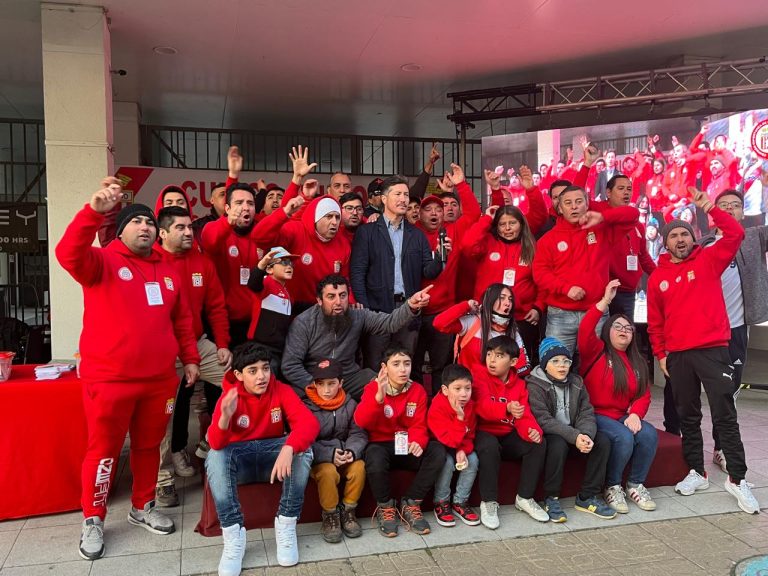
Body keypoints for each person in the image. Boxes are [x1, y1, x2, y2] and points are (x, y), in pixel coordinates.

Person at [55, 178, 201, 561]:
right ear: (121, 230)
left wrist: (190, 359)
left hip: (158, 381)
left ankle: (143, 506)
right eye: (137, 222)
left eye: (151, 223)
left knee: (149, 447)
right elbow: (67, 253)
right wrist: (94, 211)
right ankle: (93, 518)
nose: (146, 227)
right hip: (109, 380)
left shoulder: (167, 270)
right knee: (103, 450)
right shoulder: (101, 262)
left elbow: (183, 320)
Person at [647, 187, 759, 514]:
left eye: (685, 234)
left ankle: (737, 479)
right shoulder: (658, 278)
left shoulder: (709, 259)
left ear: (694, 239)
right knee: (688, 415)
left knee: (725, 414)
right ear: (665, 243)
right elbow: (655, 323)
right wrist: (662, 354)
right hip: (678, 356)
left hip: (713, 350)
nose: (680, 239)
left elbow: (735, 232)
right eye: (674, 236)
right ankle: (696, 471)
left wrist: (708, 206)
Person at [206, 343, 319, 573]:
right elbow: (216, 443)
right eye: (253, 371)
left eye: (265, 368)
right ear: (238, 374)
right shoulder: (229, 397)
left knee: (303, 449)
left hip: (271, 458)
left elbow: (309, 423)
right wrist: (225, 418)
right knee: (215, 454)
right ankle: (233, 533)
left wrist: (288, 448)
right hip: (240, 460)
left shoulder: (281, 390)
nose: (261, 376)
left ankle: (286, 523)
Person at [154, 207, 231, 505]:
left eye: (190, 227)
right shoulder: (152, 263)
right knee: (163, 416)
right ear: (162, 233)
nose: (189, 233)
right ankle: (163, 479)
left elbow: (216, 307)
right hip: (163, 349)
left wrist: (222, 344)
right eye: (181, 228)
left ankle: (208, 443)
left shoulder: (202, 262)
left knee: (244, 382)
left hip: (198, 344)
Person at [700, 190, 768, 474]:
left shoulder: (753, 238)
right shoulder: (700, 246)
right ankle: (689, 451)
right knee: (703, 394)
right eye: (723, 206)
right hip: (705, 334)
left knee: (730, 394)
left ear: (744, 212)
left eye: (735, 206)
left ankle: (721, 448)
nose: (729, 210)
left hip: (737, 330)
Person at [282, 275, 433, 400]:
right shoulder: (304, 322)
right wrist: (318, 386)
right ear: (319, 300)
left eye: (342, 296)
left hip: (348, 377)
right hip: (316, 380)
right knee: (291, 395)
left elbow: (389, 323)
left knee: (382, 384)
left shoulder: (358, 316)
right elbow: (290, 365)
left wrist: (411, 306)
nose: (338, 302)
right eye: (331, 297)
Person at [578, 280, 658, 514]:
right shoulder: (595, 350)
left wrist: (634, 414)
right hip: (595, 414)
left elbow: (644, 395)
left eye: (628, 328)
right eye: (618, 327)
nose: (624, 331)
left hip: (621, 415)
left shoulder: (638, 361)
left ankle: (635, 483)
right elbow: (584, 329)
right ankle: (612, 486)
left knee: (649, 433)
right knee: (623, 437)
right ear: (607, 331)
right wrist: (605, 302)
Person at [533, 184, 639, 355]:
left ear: (587, 204)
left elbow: (633, 215)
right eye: (568, 203)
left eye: (579, 201)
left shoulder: (601, 231)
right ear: (559, 208)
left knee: (595, 366)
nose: (574, 206)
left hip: (596, 311)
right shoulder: (547, 240)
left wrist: (603, 217)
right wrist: (566, 289)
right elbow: (540, 274)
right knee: (556, 365)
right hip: (560, 315)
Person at [351, 175, 443, 368]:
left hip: (407, 309)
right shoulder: (367, 232)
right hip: (376, 310)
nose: (403, 199)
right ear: (384, 199)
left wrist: (442, 256)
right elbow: (357, 273)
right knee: (376, 366)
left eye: (406, 195)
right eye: (398, 194)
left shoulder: (416, 235)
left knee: (404, 365)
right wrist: (366, 310)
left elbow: (429, 271)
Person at [354, 347, 446, 537]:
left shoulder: (417, 390)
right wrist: (378, 398)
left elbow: (419, 425)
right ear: (384, 368)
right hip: (382, 444)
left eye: (407, 364)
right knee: (374, 456)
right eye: (396, 364)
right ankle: (386, 508)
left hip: (406, 445)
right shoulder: (373, 388)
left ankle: (411, 503)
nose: (403, 369)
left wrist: (417, 441)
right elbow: (361, 421)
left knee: (436, 451)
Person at [411, 162, 482, 392]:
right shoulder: (411, 233)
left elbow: (472, 212)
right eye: (428, 209)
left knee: (442, 365)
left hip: (444, 313)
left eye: (439, 209)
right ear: (418, 213)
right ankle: (418, 408)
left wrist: (461, 184)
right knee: (413, 366)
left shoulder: (453, 230)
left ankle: (440, 407)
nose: (434, 213)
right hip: (415, 313)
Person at [527, 337, 615, 522]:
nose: (562, 366)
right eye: (555, 361)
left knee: (602, 441)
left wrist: (586, 435)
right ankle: (551, 498)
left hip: (576, 432)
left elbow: (586, 412)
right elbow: (543, 420)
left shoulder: (577, 382)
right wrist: (575, 436)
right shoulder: (534, 385)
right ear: (544, 364)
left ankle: (587, 497)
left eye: (566, 361)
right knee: (558, 445)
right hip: (553, 434)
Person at [471, 335, 548, 529]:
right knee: (488, 446)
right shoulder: (478, 374)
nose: (492, 360)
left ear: (513, 361)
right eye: (489, 355)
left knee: (537, 443)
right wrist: (505, 409)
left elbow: (524, 414)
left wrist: (533, 431)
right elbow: (480, 407)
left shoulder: (520, 384)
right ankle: (488, 502)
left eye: (498, 356)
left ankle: (525, 497)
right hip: (482, 430)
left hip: (507, 432)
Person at [252, 191, 351, 313]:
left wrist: (350, 301)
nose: (334, 222)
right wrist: (284, 213)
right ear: (316, 217)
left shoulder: (343, 243)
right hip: (290, 308)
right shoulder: (296, 230)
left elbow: (345, 279)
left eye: (337, 217)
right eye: (329, 216)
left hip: (324, 311)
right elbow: (259, 237)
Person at [304, 358, 367, 543]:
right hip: (319, 459)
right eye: (320, 384)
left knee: (359, 467)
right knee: (327, 471)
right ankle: (330, 515)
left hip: (345, 454)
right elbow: (305, 441)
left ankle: (348, 510)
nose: (326, 390)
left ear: (341, 383)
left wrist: (351, 451)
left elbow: (359, 433)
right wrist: (330, 454)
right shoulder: (305, 407)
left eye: (331, 384)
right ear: (314, 384)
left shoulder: (350, 404)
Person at [200, 182, 261, 346]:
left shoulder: (262, 233)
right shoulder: (213, 229)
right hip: (223, 324)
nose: (245, 207)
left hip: (256, 325)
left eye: (250, 203)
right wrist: (228, 222)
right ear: (227, 208)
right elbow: (211, 240)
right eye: (239, 203)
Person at [593, 174, 657, 318]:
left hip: (627, 291)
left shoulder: (637, 224)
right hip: (602, 290)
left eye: (629, 189)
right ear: (608, 193)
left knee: (625, 333)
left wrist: (660, 275)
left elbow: (644, 257)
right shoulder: (598, 214)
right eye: (621, 188)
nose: (626, 192)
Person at [434, 283, 530, 375]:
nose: (508, 303)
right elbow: (439, 323)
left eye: (510, 299)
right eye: (502, 298)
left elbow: (524, 367)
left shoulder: (513, 331)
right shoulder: (472, 322)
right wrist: (466, 306)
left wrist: (500, 377)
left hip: (497, 388)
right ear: (490, 300)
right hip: (468, 387)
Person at [427, 364, 481, 527]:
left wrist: (462, 450)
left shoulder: (470, 406)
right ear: (445, 390)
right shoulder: (437, 407)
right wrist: (459, 418)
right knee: (448, 463)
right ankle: (441, 501)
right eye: (457, 389)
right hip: (439, 444)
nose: (464, 394)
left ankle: (460, 501)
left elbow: (470, 433)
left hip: (459, 443)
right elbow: (446, 439)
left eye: (468, 388)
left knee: (472, 460)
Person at [246, 247, 297, 377]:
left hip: (278, 349)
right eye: (284, 262)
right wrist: (261, 265)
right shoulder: (266, 282)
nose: (289, 266)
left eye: (291, 263)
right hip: (262, 347)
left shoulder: (287, 292)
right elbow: (253, 283)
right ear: (269, 269)